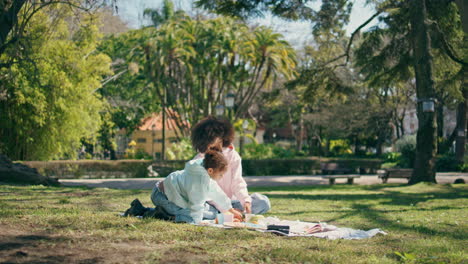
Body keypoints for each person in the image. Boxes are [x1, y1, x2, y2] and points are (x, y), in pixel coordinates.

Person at [191, 116, 271, 219]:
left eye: (219, 142)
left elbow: (237, 182)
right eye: (212, 144)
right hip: (211, 205)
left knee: (263, 202)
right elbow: (206, 193)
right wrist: (226, 209)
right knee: (200, 209)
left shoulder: (233, 156)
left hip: (232, 202)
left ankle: (230, 214)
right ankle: (226, 214)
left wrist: (245, 201)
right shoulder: (197, 162)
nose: (218, 147)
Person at [150, 149, 243, 224]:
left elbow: (216, 191)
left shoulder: (203, 168)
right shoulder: (199, 179)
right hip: (161, 196)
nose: (222, 177)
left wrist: (230, 209)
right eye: (220, 175)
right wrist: (198, 222)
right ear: (210, 170)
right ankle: (158, 214)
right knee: (190, 217)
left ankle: (161, 211)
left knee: (211, 213)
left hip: (170, 195)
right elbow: (196, 205)